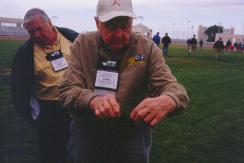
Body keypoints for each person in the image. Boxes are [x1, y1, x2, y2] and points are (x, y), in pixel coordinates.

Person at [58, 0, 189, 162]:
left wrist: (169, 99)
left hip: (131, 132)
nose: (119, 34)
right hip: (88, 131)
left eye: (125, 26)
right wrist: (93, 101)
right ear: (97, 23)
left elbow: (172, 87)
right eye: (111, 26)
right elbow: (67, 90)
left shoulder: (146, 48)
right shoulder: (83, 44)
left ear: (132, 23)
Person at [11, 8, 78, 163]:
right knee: (52, 154)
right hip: (50, 111)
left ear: (50, 23)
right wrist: (34, 116)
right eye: (31, 32)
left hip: (78, 105)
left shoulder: (72, 37)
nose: (36, 35)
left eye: (39, 29)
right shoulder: (25, 53)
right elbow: (19, 90)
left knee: (81, 150)